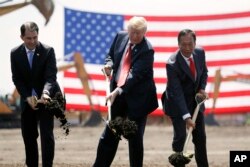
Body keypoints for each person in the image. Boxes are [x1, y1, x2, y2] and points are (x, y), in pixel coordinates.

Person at [93, 16, 158, 167]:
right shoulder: (120, 36)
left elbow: (134, 76)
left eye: (139, 33)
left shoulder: (147, 50)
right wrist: (108, 65)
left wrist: (117, 90)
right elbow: (110, 55)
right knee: (109, 135)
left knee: (134, 139)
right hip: (118, 97)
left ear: (145, 32)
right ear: (128, 30)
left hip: (138, 99)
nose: (135, 36)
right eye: (132, 32)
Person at [10, 21, 60, 167]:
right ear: (22, 37)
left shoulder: (48, 51)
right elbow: (17, 78)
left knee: (46, 137)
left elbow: (51, 76)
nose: (32, 41)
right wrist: (26, 97)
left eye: (35, 37)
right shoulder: (15, 53)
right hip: (27, 101)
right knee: (29, 137)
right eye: (28, 38)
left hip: (45, 99)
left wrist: (45, 93)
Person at [162, 29, 209, 167]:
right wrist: (186, 117)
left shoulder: (200, 53)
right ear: (178, 44)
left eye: (190, 44)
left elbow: (204, 72)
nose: (187, 48)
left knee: (200, 137)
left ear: (195, 43)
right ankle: (178, 163)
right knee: (181, 137)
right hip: (177, 104)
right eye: (183, 44)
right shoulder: (172, 64)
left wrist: (202, 88)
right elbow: (176, 92)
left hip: (196, 102)